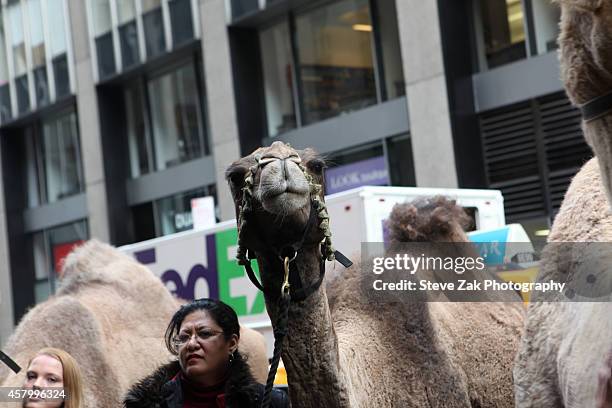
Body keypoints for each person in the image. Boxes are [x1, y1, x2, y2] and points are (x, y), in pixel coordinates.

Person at [124, 298, 289, 408]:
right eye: (184, 337)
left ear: (231, 343)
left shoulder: (268, 402)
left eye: (205, 334)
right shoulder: (145, 403)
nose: (191, 344)